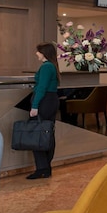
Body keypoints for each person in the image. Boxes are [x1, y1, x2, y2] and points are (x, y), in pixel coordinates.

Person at [27, 42, 59, 180]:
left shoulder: (46, 67)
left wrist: (35, 106)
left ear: (44, 53)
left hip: (44, 102)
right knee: (47, 133)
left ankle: (42, 168)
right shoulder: (52, 66)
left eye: (38, 51)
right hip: (51, 101)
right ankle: (46, 167)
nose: (36, 54)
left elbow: (41, 88)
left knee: (38, 135)